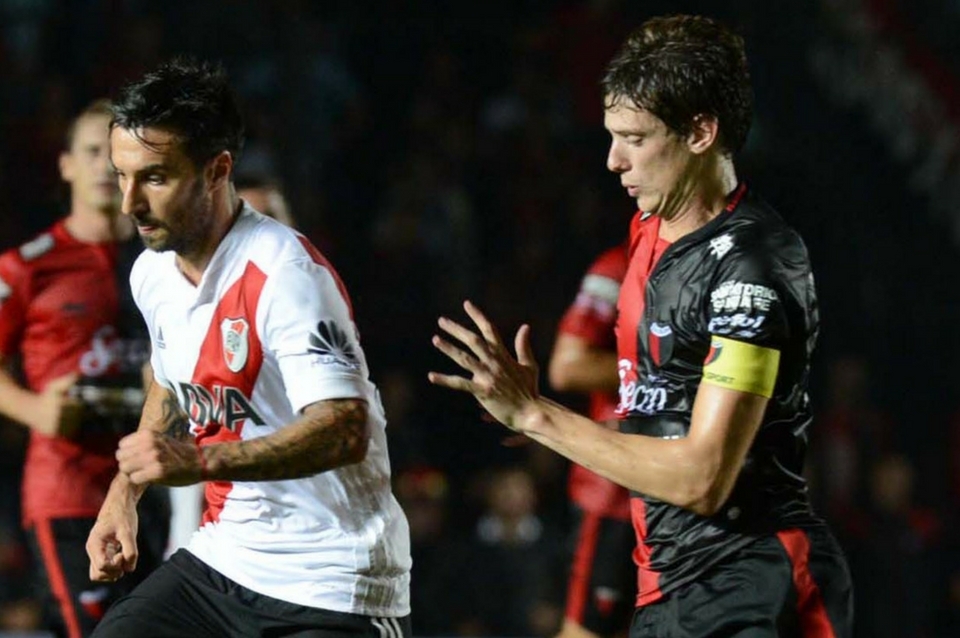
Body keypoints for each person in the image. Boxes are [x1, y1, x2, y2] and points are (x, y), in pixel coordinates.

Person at [430, 14, 853, 638]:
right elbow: (662, 409)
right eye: (611, 136)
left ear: (701, 132)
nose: (612, 160)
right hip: (667, 580)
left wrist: (539, 416)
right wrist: (544, 418)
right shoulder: (647, 235)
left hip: (751, 583)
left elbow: (703, 478)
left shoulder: (754, 265)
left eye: (633, 138)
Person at [85, 58, 411, 638]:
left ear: (217, 170)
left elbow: (345, 429)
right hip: (227, 559)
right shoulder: (152, 272)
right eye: (121, 176)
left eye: (155, 178)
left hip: (334, 580)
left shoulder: (286, 273)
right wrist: (124, 493)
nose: (130, 202)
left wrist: (199, 461)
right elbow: (172, 379)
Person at [0, 100, 168, 638]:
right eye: (91, 152)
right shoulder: (28, 266)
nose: (102, 168)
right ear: (66, 164)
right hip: (68, 490)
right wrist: (34, 409)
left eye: (113, 158)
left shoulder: (163, 262)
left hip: (150, 486)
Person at [547, 243, 635, 638]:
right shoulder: (620, 265)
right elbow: (568, 367)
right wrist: (669, 370)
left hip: (688, 487)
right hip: (617, 494)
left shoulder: (724, 261)